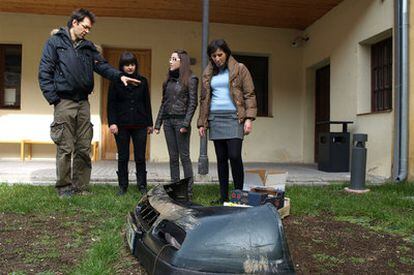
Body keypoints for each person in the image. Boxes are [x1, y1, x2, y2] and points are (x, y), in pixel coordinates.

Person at [38, 8, 139, 198]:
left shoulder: (88, 47)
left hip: (83, 103)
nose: (87, 31)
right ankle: (64, 188)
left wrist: (120, 77)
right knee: (65, 148)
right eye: (85, 27)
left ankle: (80, 187)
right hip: (64, 102)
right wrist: (55, 99)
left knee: (83, 147)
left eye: (89, 28)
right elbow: (44, 73)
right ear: (74, 23)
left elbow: (103, 67)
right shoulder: (55, 43)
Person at [197, 39, 257, 204]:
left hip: (234, 117)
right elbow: (204, 99)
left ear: (227, 53)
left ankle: (239, 196)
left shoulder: (240, 69)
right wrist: (202, 122)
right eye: (214, 56)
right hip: (215, 118)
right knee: (221, 158)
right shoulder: (208, 73)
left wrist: (249, 118)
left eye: (220, 54)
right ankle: (223, 197)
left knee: (234, 155)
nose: (217, 58)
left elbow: (249, 94)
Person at [154, 50, 198, 198]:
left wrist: (186, 123)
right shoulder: (168, 81)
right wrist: (158, 124)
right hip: (168, 122)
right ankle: (174, 189)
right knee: (173, 157)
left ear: (182, 62)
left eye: (174, 59)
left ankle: (188, 191)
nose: (170, 61)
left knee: (184, 157)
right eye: (170, 58)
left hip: (181, 122)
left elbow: (193, 103)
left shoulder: (191, 79)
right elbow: (164, 103)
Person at [107, 52, 153, 195]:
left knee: (140, 157)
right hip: (121, 125)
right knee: (123, 157)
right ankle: (122, 186)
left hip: (140, 124)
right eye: (127, 65)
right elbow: (111, 104)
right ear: (122, 66)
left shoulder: (143, 81)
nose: (130, 67)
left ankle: (142, 186)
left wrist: (149, 123)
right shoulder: (115, 81)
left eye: (132, 64)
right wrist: (112, 123)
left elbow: (147, 103)